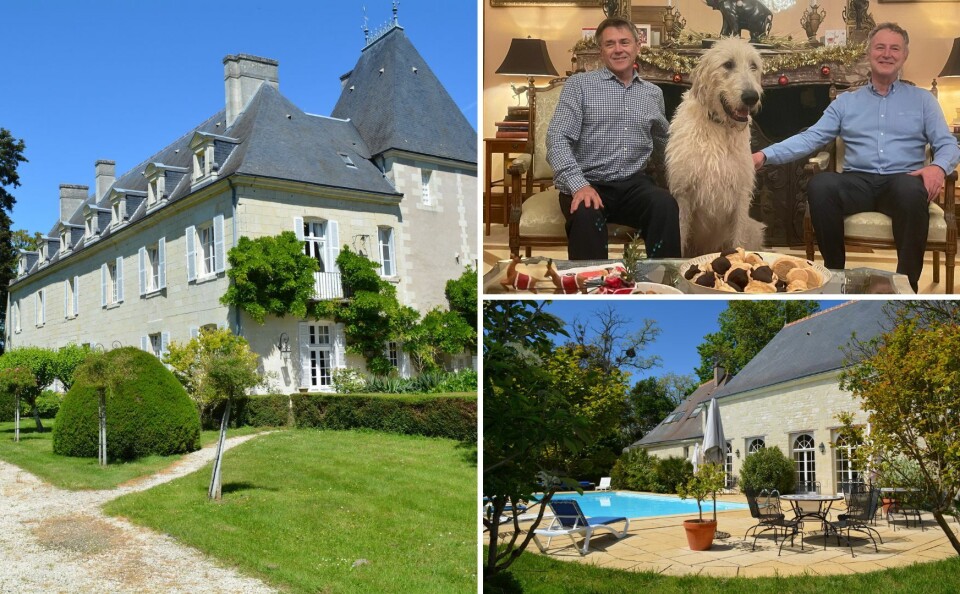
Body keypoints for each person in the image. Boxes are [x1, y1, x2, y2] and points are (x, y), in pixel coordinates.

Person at [752, 22, 960, 292]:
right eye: (880, 47)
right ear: (868, 53)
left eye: (895, 48)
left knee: (911, 190)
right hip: (857, 182)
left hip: (902, 181)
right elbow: (810, 137)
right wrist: (764, 155)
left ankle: (905, 286)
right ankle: (836, 275)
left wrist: (938, 168)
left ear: (904, 55)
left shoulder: (923, 101)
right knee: (821, 185)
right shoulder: (845, 102)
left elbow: (948, 145)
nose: (887, 53)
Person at [547, 17, 681, 261]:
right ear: (601, 50)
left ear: (637, 47)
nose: (618, 49)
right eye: (610, 44)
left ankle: (665, 279)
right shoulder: (579, 86)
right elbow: (557, 139)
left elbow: (664, 143)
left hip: (634, 185)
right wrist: (579, 185)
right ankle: (590, 285)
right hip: (588, 182)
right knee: (586, 212)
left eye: (624, 42)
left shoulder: (653, 93)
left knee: (664, 204)